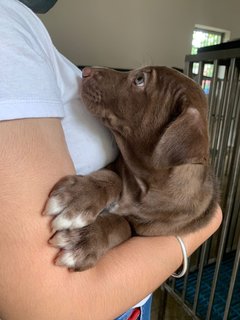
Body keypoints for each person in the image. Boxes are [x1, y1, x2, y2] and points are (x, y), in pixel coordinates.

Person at [0, 1, 222, 319]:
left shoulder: (180, 193)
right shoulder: (4, 25)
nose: (90, 72)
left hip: (132, 300)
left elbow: (139, 221)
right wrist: (199, 232)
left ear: (175, 134)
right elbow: (55, 307)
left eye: (140, 82)